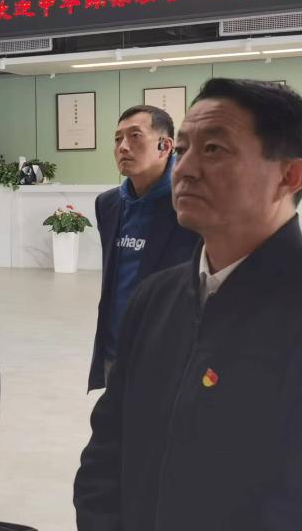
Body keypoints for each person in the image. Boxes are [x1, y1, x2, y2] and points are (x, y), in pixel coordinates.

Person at [75, 79, 302, 531]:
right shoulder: (155, 299)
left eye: (214, 149)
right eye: (183, 149)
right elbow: (106, 454)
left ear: (290, 176)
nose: (184, 169)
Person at [89, 105, 199, 390]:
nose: (123, 147)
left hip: (170, 357)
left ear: (165, 146)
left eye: (135, 136)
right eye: (117, 139)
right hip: (116, 351)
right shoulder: (108, 204)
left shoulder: (192, 204)